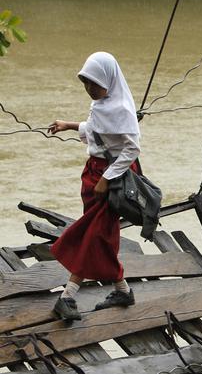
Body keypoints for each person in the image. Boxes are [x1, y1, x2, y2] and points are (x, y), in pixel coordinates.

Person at [47, 52, 141, 321]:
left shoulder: (121, 109)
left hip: (110, 180)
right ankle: (123, 290)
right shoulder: (103, 105)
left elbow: (132, 148)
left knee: (93, 234)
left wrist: (106, 178)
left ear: (109, 82)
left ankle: (67, 296)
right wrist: (69, 125)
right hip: (94, 174)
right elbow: (99, 129)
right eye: (86, 83)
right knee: (102, 235)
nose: (90, 89)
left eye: (94, 84)